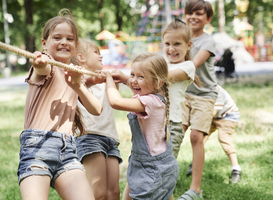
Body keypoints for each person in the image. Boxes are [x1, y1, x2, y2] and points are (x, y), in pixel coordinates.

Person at [17, 9, 102, 200]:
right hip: (37, 148)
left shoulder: (73, 75)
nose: (64, 42)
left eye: (70, 39)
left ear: (76, 45)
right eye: (57, 37)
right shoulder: (47, 69)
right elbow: (41, 66)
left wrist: (78, 86)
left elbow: (96, 109)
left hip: (68, 152)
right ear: (45, 43)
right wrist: (39, 61)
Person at [104, 53, 179, 200]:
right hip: (144, 164)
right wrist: (126, 78)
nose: (134, 81)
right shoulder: (159, 93)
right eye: (133, 74)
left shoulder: (150, 102)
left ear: (158, 83)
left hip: (153, 170)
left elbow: (116, 102)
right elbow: (140, 84)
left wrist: (109, 81)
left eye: (141, 77)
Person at [72, 38, 122, 200]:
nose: (101, 56)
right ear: (81, 57)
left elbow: (115, 100)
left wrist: (112, 80)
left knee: (113, 192)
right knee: (99, 193)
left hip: (111, 138)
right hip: (90, 137)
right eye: (96, 53)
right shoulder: (77, 79)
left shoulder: (104, 79)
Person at [178, 0, 218, 199]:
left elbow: (192, 66)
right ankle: (164, 176)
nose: (193, 17)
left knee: (196, 136)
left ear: (208, 19)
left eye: (199, 14)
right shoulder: (181, 38)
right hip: (184, 93)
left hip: (204, 95)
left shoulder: (207, 41)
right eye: (190, 13)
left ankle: (195, 189)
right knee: (175, 132)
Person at [162, 18, 202, 159]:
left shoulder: (187, 66)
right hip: (153, 123)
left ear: (189, 45)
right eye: (167, 43)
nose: (171, 48)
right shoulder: (161, 65)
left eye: (177, 44)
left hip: (171, 125)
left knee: (165, 168)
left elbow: (163, 77)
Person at [187, 85, 242, 184]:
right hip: (213, 116)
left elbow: (213, 112)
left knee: (224, 139)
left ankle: (236, 170)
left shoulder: (216, 91)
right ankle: (195, 164)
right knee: (199, 138)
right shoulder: (199, 89)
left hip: (228, 115)